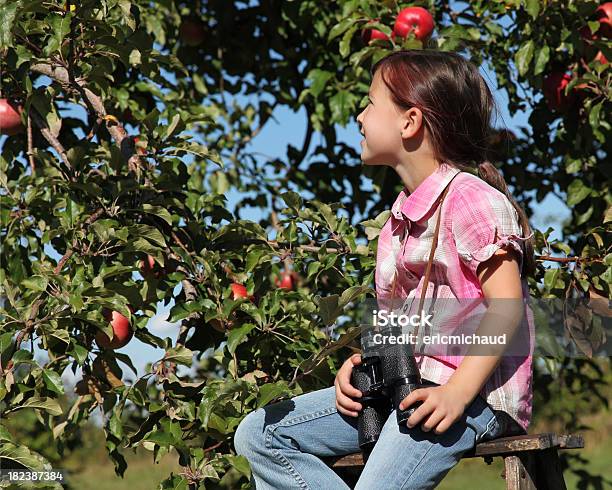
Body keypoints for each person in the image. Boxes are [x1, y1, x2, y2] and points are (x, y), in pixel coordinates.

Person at [233, 49, 536, 489]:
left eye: (371, 102)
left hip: (473, 398)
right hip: (406, 388)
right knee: (261, 434)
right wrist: (362, 367)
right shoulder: (396, 224)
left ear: (410, 122)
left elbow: (507, 308)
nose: (359, 115)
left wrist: (456, 392)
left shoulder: (471, 200)